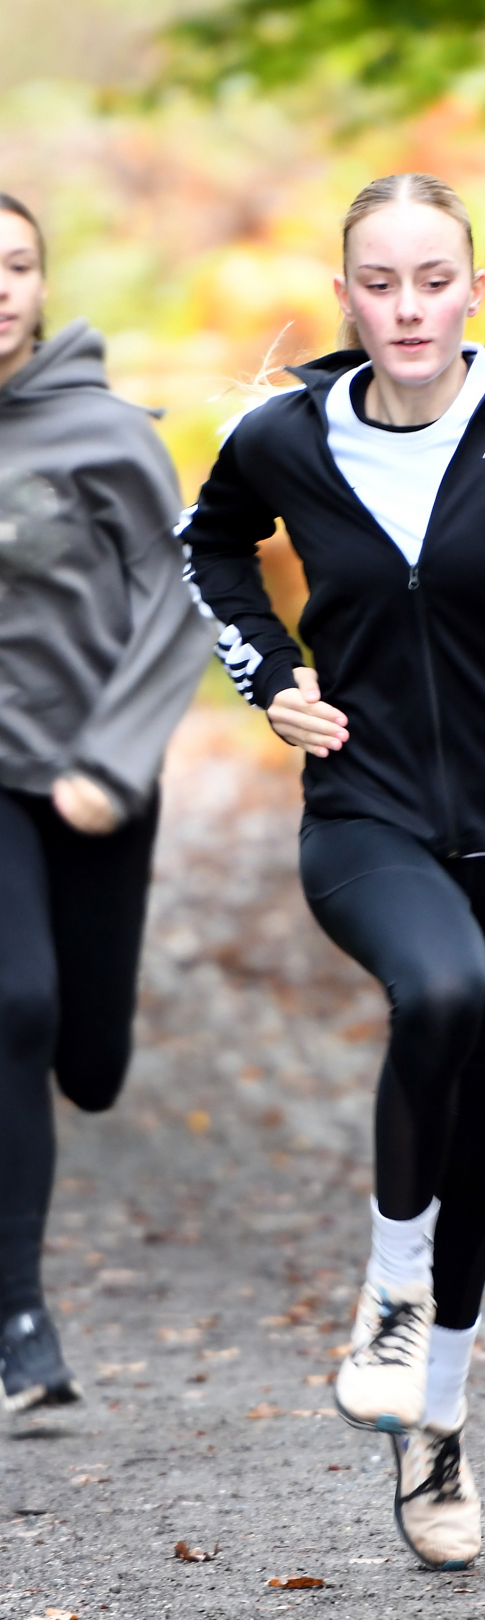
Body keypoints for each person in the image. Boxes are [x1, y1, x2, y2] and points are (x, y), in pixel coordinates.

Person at [185, 171, 485, 1569]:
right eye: (380, 281)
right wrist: (270, 676)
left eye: (432, 280)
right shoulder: (283, 435)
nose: (408, 306)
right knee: (438, 988)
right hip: (368, 814)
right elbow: (206, 547)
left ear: (476, 290)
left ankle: (437, 1423)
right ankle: (390, 1295)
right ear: (346, 294)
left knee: (482, 1131)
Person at [0, 194, 212, 1413]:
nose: (2, 285)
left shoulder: (105, 434)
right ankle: (18, 1317)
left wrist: (114, 763)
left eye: (20, 265)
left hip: (92, 779)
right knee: (12, 1008)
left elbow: (178, 597)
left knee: (87, 1060)